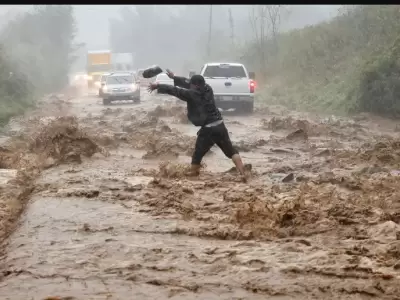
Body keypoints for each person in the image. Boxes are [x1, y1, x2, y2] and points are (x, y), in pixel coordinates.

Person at [147, 71, 249, 182]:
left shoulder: (191, 94)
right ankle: (243, 172)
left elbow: (175, 90)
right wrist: (174, 77)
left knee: (198, 153)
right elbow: (188, 83)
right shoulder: (208, 89)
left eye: (191, 84)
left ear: (194, 85)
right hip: (220, 125)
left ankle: (193, 173)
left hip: (208, 129)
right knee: (231, 151)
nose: (189, 85)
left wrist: (158, 86)